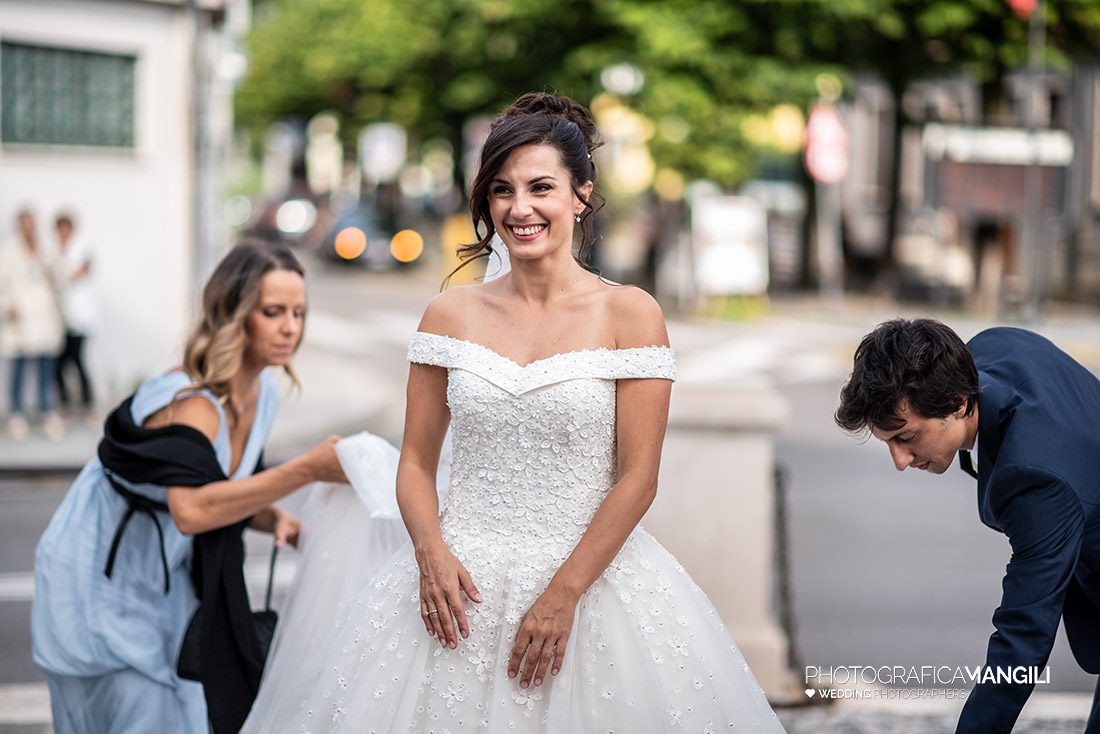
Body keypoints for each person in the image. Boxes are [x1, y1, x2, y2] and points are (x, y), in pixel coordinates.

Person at [243, 92, 785, 732]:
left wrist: (563, 596)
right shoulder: (449, 315)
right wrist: (429, 554)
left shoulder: (630, 314)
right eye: (501, 191)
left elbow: (637, 478)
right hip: (457, 589)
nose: (519, 208)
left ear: (581, 194)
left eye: (540, 187)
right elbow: (416, 463)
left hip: (592, 583)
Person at [32, 239, 346, 734]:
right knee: (138, 715)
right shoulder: (195, 401)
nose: (290, 327)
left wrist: (275, 517)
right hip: (99, 577)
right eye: (273, 311)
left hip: (167, 579)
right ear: (234, 313)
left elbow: (228, 487)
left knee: (187, 714)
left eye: (299, 312)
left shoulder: (261, 388)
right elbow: (193, 510)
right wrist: (307, 469)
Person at [835, 318, 1100, 734]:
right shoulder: (989, 349)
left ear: (958, 403)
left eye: (906, 438)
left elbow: (1023, 638)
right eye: (888, 442)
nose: (899, 461)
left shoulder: (1036, 477)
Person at [0, 209, 64, 441]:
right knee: (18, 367)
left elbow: (57, 279)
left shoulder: (45, 251)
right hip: (22, 318)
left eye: (31, 225)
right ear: (19, 227)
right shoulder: (8, 252)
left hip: (44, 319)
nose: (28, 229)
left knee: (45, 370)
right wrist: (7, 306)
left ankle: (46, 413)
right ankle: (16, 413)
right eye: (24, 225)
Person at [52, 212, 97, 418]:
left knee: (76, 360)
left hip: (81, 317)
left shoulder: (81, 246)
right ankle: (69, 402)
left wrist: (63, 278)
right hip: (63, 318)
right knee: (61, 363)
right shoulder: (55, 251)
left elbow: (85, 269)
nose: (62, 232)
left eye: (65, 227)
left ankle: (86, 402)